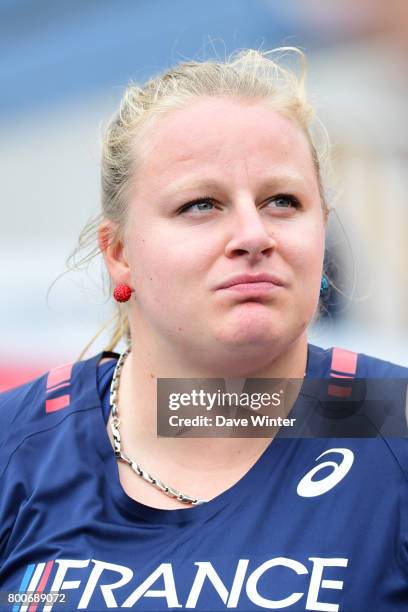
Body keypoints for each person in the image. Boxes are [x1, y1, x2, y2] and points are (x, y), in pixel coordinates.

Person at [0, 48, 407, 612]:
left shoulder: (397, 426)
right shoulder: (18, 448)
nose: (253, 234)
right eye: (201, 205)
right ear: (119, 255)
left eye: (282, 201)